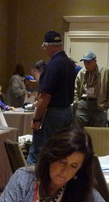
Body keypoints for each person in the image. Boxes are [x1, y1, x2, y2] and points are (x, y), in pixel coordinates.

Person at [27, 30, 77, 165]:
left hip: (53, 114)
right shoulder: (69, 64)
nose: (45, 50)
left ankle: (32, 184)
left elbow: (45, 96)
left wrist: (37, 119)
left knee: (39, 152)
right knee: (59, 151)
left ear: (48, 45)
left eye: (44, 46)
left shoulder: (53, 65)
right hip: (66, 112)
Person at [73, 51, 109, 127]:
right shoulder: (81, 73)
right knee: (79, 130)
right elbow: (76, 90)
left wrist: (106, 106)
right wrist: (77, 103)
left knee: (98, 131)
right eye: (85, 62)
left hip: (99, 105)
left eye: (88, 62)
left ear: (95, 61)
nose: (86, 65)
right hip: (83, 103)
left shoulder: (105, 72)